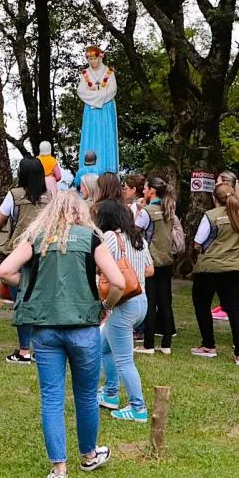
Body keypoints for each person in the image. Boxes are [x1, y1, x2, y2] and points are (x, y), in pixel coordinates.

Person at [0, 190, 123, 478]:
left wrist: (31, 283)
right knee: (86, 395)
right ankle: (89, 455)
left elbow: (5, 271)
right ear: (80, 212)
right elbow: (117, 281)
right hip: (83, 327)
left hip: (45, 328)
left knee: (51, 398)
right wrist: (106, 306)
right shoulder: (90, 239)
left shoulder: (37, 238)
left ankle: (59, 468)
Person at [94, 199, 153, 421]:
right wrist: (132, 273)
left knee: (124, 360)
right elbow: (150, 269)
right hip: (141, 300)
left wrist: (106, 301)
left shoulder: (110, 238)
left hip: (121, 302)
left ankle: (138, 407)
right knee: (103, 347)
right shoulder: (139, 238)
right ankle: (110, 393)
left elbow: (98, 263)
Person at [189, 183, 239, 365]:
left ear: (214, 198)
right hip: (238, 267)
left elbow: (198, 241)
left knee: (202, 304)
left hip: (211, 268)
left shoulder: (210, 216)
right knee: (236, 309)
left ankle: (208, 345)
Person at [0, 157, 51, 363]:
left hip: (20, 249)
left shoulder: (14, 195)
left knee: (21, 297)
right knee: (43, 296)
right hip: (45, 249)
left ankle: (23, 350)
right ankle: (42, 347)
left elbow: (1, 218)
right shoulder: (49, 196)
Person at [135, 175, 176, 354]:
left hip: (150, 260)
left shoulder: (147, 211)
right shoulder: (169, 209)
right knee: (165, 301)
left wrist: (138, 209)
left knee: (150, 302)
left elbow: (134, 232)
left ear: (151, 190)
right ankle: (166, 344)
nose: (143, 190)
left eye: (145, 187)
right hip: (166, 260)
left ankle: (148, 344)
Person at [76, 45, 119, 182]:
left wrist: (97, 97)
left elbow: (112, 90)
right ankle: (88, 172)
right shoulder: (85, 74)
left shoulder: (109, 72)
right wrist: (98, 98)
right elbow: (81, 91)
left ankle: (108, 173)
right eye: (90, 59)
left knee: (107, 135)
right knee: (91, 136)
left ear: (100, 57)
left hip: (106, 109)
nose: (93, 62)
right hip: (91, 110)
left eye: (95, 58)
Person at [209, 171, 239, 321]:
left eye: (218, 182)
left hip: (230, 252)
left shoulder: (236, 207)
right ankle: (223, 305)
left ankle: (227, 307)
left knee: (227, 282)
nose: (215, 184)